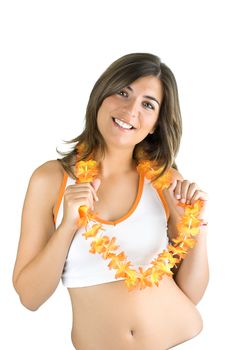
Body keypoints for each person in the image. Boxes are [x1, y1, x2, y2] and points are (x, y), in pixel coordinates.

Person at [12, 52, 209, 350]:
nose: (131, 110)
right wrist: (68, 227)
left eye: (148, 104)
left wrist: (196, 227)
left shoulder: (164, 180)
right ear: (101, 96)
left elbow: (190, 295)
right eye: (123, 92)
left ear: (156, 123)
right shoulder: (51, 179)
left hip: (184, 340)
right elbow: (30, 297)